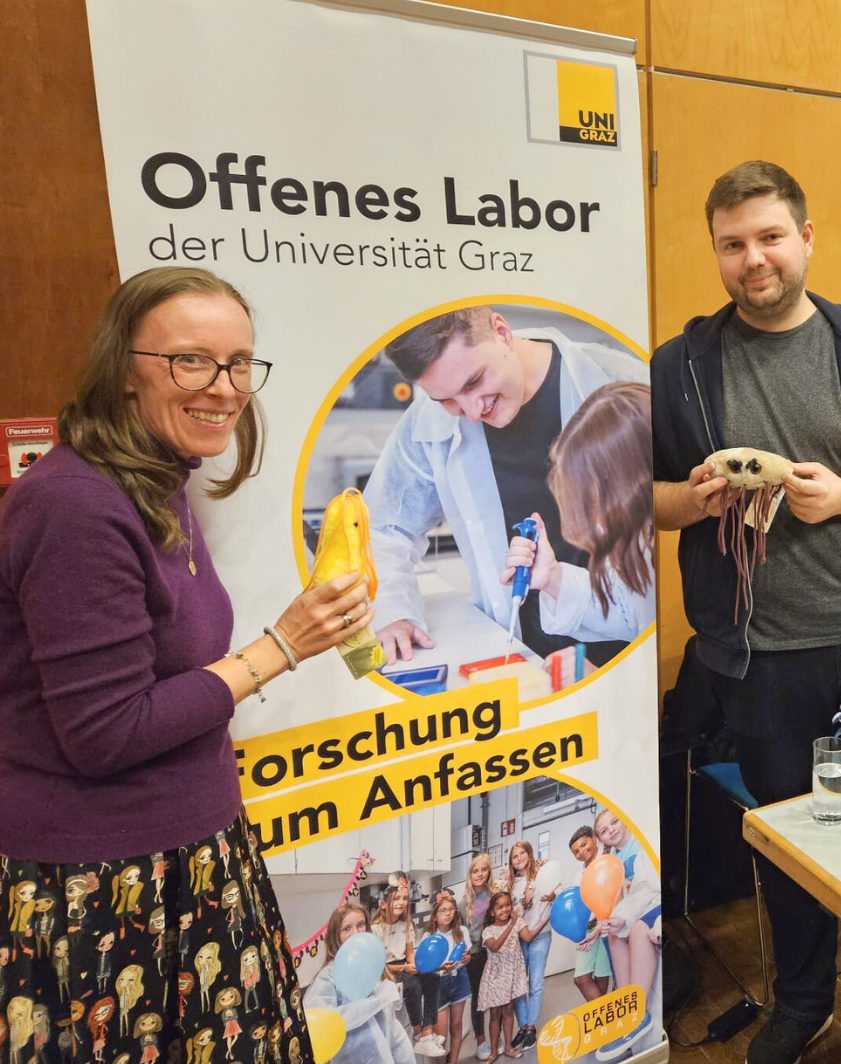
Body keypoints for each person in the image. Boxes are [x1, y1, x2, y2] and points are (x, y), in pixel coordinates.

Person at [0, 266, 377, 1062]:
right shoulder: (73, 504)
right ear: (123, 371)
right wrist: (281, 647)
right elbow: (106, 733)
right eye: (191, 361)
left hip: (192, 851)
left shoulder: (159, 480)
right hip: (103, 887)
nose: (225, 387)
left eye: (239, 363)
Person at [651, 161, 841, 1064]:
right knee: (795, 846)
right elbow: (643, 501)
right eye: (732, 244)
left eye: (770, 237)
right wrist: (695, 500)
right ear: (715, 252)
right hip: (760, 664)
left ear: (806, 237)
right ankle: (804, 1000)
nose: (754, 259)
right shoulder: (680, 367)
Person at [362, 305, 646, 666]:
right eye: (446, 400)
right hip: (517, 644)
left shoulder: (619, 379)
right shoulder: (426, 422)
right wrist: (392, 610)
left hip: (632, 642)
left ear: (502, 332)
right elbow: (386, 530)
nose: (471, 411)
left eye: (474, 382)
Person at [500, 380, 655, 644]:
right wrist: (552, 577)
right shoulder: (639, 535)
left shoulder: (676, 542)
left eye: (599, 498)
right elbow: (631, 613)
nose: (597, 519)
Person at [302, 903, 415, 1064]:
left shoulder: (372, 968)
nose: (356, 933)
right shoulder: (329, 976)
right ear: (335, 935)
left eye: (361, 925)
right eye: (347, 928)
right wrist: (376, 1001)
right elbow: (324, 1022)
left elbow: (391, 1027)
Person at [590, 810, 661, 1063]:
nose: (611, 830)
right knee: (615, 936)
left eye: (614, 822)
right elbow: (622, 899)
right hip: (638, 904)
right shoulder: (613, 862)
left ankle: (638, 1014)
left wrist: (626, 918)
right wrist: (612, 923)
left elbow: (649, 889)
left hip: (653, 900)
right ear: (601, 839)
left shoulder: (643, 842)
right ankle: (627, 1007)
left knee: (639, 930)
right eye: (604, 830)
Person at [503, 842, 561, 1052]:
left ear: (529, 854)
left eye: (522, 853)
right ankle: (523, 1025)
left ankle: (530, 1027)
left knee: (535, 984)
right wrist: (525, 902)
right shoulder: (510, 884)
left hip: (541, 936)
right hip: (520, 937)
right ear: (511, 862)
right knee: (518, 985)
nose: (519, 858)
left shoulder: (543, 873)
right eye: (514, 856)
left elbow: (559, 892)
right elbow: (510, 913)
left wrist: (552, 896)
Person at [374, 888, 443, 1057]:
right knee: (413, 984)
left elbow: (410, 953)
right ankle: (418, 1034)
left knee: (433, 978)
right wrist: (405, 968)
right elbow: (378, 965)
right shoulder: (375, 929)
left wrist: (417, 967)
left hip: (404, 964)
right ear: (383, 904)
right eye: (396, 898)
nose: (402, 902)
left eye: (405, 898)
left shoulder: (407, 925)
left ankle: (427, 1032)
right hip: (386, 970)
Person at [474, 894, 528, 1063]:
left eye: (507, 905)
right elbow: (495, 947)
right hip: (495, 976)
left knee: (508, 1011)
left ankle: (509, 1047)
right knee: (495, 1014)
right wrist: (511, 925)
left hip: (510, 974)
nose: (505, 909)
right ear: (492, 912)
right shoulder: (488, 931)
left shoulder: (516, 923)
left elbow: (529, 936)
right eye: (500, 907)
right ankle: (493, 1051)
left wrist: (547, 918)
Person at [565, 828, 611, 1003]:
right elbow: (579, 904)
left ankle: (603, 1017)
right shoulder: (580, 875)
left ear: (594, 839)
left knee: (601, 975)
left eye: (584, 844)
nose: (581, 852)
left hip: (607, 927)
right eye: (576, 851)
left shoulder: (607, 861)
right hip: (590, 930)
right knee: (581, 978)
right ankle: (606, 1015)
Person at [425, 891, 470, 1064]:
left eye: (451, 909)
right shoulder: (429, 937)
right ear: (434, 915)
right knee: (440, 1035)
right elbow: (425, 967)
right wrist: (441, 967)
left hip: (459, 979)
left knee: (456, 1026)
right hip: (438, 984)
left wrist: (466, 958)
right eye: (443, 910)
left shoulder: (462, 931)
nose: (448, 913)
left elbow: (468, 957)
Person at [460, 855, 497, 1061]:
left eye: (484, 870)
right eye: (476, 871)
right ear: (470, 874)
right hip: (474, 957)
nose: (480, 874)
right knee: (478, 1000)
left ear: (489, 872)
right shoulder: (463, 902)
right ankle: (481, 1041)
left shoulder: (494, 895)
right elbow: (461, 933)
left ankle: (496, 1038)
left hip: (494, 953)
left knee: (497, 997)